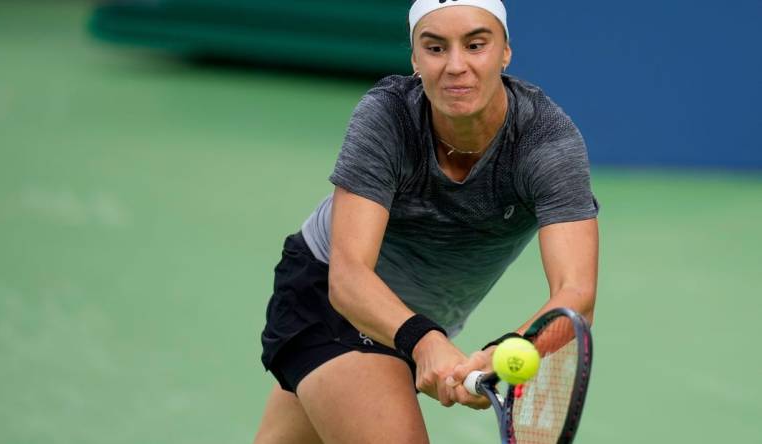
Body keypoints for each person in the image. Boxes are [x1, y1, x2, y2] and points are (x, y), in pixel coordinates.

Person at [254, 1, 599, 443]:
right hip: (327, 298)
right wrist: (423, 341)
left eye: (476, 45)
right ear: (416, 59)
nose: (456, 66)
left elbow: (576, 296)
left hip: (418, 319)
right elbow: (349, 275)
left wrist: (507, 351)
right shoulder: (388, 117)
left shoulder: (546, 142)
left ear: (505, 52)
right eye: (436, 48)